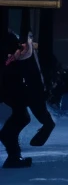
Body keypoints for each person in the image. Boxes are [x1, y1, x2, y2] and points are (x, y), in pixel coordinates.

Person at [1, 32, 53, 167]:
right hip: (13, 90)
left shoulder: (16, 58)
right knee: (20, 118)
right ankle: (13, 156)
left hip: (13, 91)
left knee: (20, 118)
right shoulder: (16, 59)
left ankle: (14, 156)